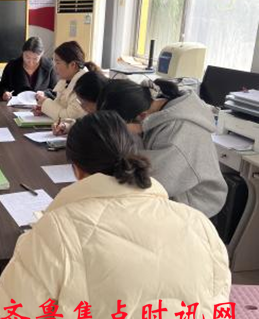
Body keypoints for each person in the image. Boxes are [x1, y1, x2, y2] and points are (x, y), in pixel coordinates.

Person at [0, 111, 231, 319]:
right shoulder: (198, 222)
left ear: (76, 169)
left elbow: (17, 314)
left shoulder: (56, 229)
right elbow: (220, 314)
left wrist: (29, 242)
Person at [97, 78, 227, 218]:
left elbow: (149, 184)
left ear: (141, 116)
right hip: (170, 190)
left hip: (193, 205)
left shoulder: (177, 135)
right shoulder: (156, 109)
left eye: (121, 127)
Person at [34, 40, 99, 120]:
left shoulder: (85, 85)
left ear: (72, 65)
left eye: (58, 63)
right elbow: (58, 106)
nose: (54, 67)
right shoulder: (65, 80)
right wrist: (44, 109)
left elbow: (69, 117)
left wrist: (45, 102)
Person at [0, 36, 58, 101]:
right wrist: (4, 93)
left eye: (35, 58)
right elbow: (1, 86)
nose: (31, 62)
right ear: (23, 52)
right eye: (27, 57)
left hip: (40, 104)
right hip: (16, 105)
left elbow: (55, 90)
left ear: (42, 54)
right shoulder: (12, 65)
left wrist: (44, 93)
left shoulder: (49, 66)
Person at [52, 70, 109, 135]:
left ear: (97, 99)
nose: (82, 107)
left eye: (84, 104)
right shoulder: (103, 106)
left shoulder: (112, 115)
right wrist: (68, 126)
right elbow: (90, 124)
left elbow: (97, 130)